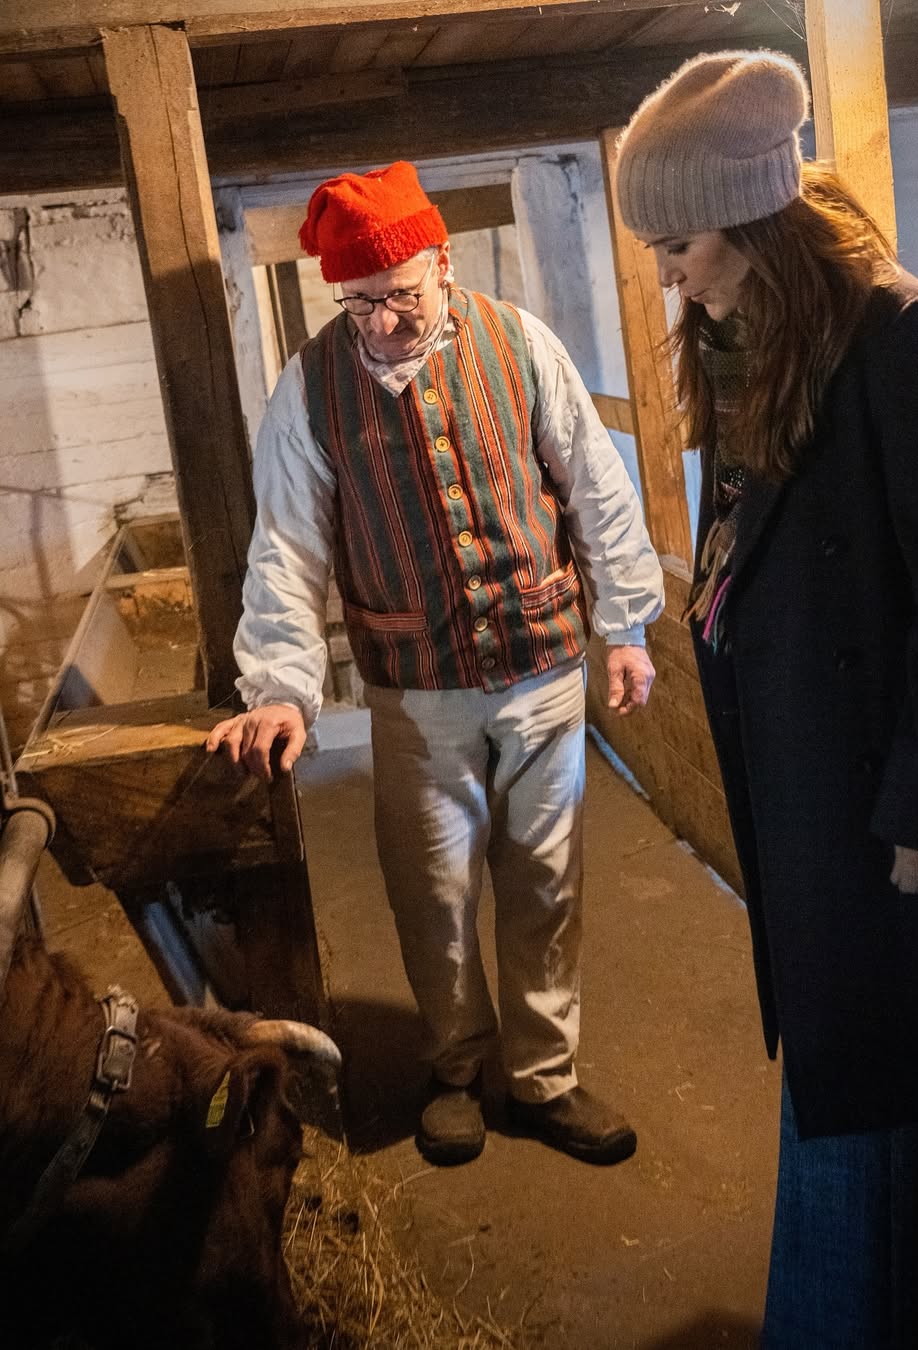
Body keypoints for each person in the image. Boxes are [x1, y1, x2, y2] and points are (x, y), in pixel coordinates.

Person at [615, 51, 918, 1347]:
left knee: (847, 1116)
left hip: (888, 817)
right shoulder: (752, 334)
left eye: (683, 242)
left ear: (756, 215)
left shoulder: (905, 337)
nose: (668, 276)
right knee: (879, 1104)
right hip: (814, 792)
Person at [207, 162, 664, 1168]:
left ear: (443, 267)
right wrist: (280, 687)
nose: (380, 324)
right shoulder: (311, 387)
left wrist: (625, 628)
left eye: (401, 298)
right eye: (359, 303)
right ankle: (456, 1067)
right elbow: (286, 545)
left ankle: (544, 1078)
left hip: (543, 668)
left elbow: (595, 485)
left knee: (546, 880)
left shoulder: (518, 345)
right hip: (416, 692)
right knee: (434, 887)